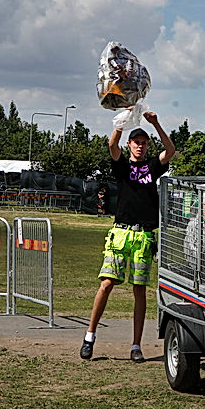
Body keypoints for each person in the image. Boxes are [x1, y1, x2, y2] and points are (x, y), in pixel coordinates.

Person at [80, 111, 176, 362]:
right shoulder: (122, 166)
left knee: (139, 289)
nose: (141, 146)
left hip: (143, 236)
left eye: (144, 143)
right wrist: (121, 123)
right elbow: (112, 145)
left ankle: (136, 345)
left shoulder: (152, 166)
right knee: (107, 283)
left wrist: (155, 123)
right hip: (121, 233)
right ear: (130, 145)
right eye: (137, 142)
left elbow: (171, 150)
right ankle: (89, 336)